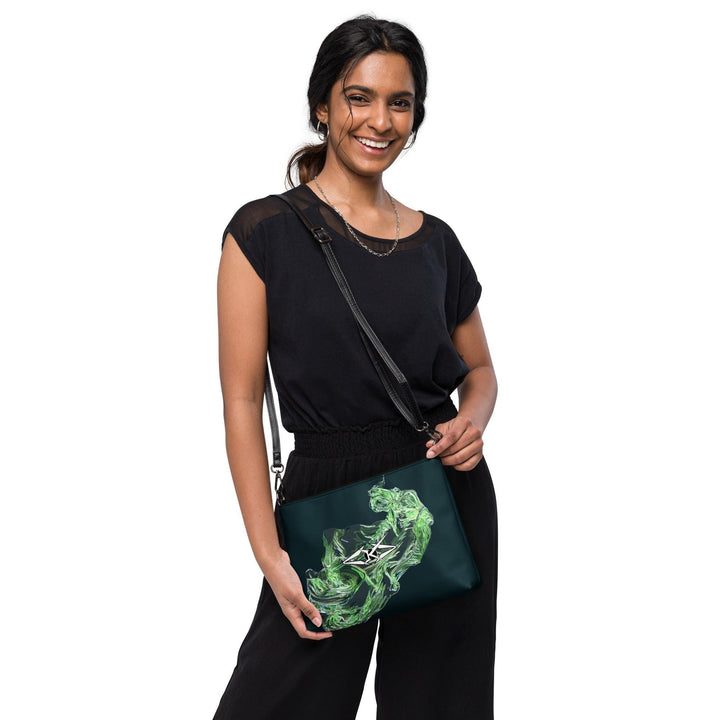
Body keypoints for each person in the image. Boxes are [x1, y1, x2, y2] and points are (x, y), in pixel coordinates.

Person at [213, 15, 498, 720]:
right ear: (323, 105)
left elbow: (481, 372)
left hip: (442, 492)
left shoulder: (437, 242)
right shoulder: (263, 231)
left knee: (440, 706)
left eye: (400, 102)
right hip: (329, 494)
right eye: (358, 97)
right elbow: (242, 400)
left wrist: (472, 420)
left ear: (415, 117)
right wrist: (268, 553)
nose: (379, 120)